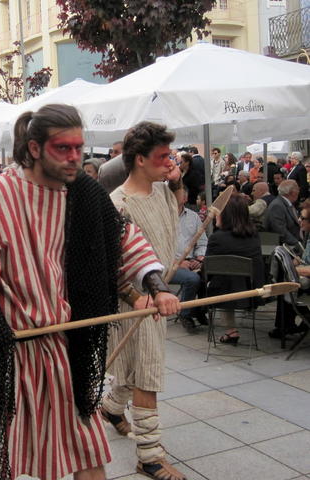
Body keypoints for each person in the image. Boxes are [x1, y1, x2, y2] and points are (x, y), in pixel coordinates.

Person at [0, 105, 180, 480]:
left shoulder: (84, 192)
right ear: (35, 147)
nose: (75, 157)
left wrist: (157, 286)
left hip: (61, 349)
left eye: (79, 147)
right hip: (7, 353)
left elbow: (124, 239)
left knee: (85, 448)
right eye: (63, 148)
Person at [102, 121, 186, 480]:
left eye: (171, 155)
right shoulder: (116, 204)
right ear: (139, 159)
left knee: (133, 366)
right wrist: (137, 296)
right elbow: (111, 264)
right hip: (134, 301)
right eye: (162, 156)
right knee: (147, 371)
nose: (170, 162)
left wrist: (177, 180)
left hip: (158, 293)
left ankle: (111, 408)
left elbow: (177, 208)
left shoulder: (162, 190)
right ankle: (149, 455)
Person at [205, 194, 265, 344]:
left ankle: (230, 330)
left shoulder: (217, 238)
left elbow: (207, 270)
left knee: (220, 280)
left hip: (224, 293)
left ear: (226, 215)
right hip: (251, 291)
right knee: (230, 278)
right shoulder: (254, 236)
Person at [171, 186, 208, 332]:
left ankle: (199, 309)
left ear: (185, 198)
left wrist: (200, 257)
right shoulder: (162, 217)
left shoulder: (193, 217)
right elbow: (156, 248)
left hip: (192, 260)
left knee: (208, 276)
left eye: (179, 194)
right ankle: (185, 313)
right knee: (192, 279)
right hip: (168, 265)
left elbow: (203, 241)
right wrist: (178, 263)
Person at [264, 180, 302, 246]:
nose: (299, 191)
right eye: (297, 189)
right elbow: (280, 231)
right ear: (292, 192)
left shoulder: (287, 204)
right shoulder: (277, 206)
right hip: (287, 247)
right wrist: (298, 244)